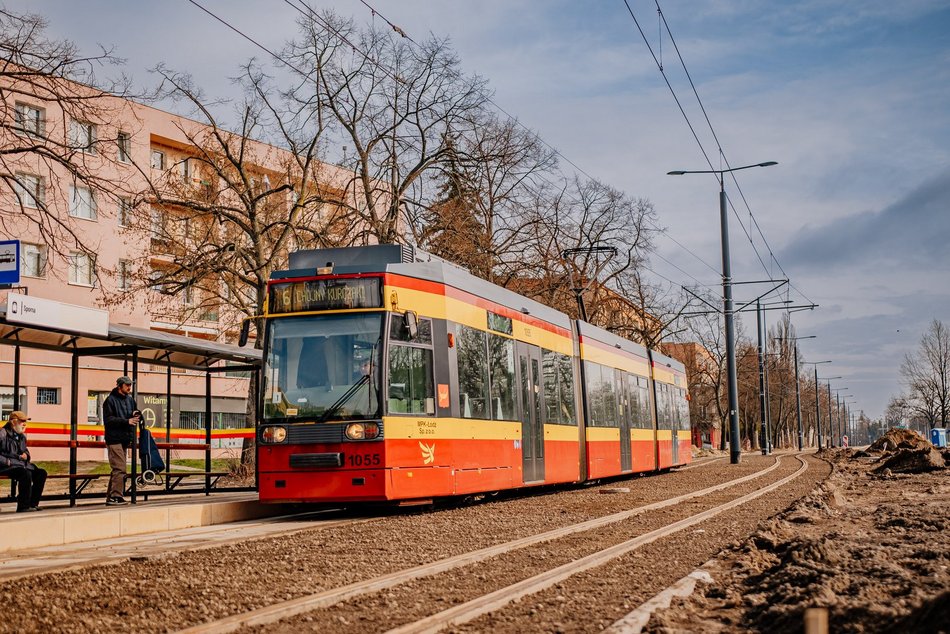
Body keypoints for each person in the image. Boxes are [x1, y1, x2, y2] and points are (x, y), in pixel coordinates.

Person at [102, 376, 141, 506]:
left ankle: (111, 496)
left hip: (124, 439)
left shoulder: (130, 400)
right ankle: (116, 496)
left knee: (118, 469)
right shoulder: (110, 400)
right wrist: (126, 421)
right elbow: (108, 420)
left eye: (130, 385)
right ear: (119, 386)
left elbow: (134, 413)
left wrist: (136, 414)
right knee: (120, 468)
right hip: (114, 439)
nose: (129, 387)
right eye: (127, 385)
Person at [0, 411, 47, 512]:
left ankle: (32, 504)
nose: (24, 424)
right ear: (13, 422)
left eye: (25, 421)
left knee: (41, 473)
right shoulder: (2, 433)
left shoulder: (22, 436)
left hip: (19, 465)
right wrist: (7, 461)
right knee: (25, 473)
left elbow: (25, 451)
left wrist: (27, 456)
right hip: (5, 466)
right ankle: (23, 506)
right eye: (22, 421)